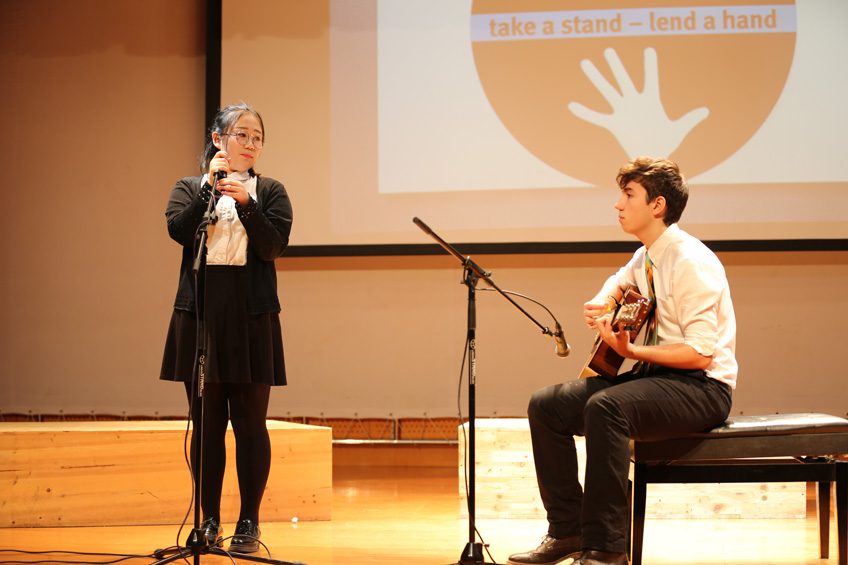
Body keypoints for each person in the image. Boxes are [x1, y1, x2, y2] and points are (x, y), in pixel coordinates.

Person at [507, 157, 736, 565]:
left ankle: (607, 548)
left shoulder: (690, 262)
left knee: (606, 406)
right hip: (657, 378)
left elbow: (701, 354)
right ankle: (568, 530)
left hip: (703, 389)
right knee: (547, 406)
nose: (618, 204)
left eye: (629, 195)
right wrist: (603, 303)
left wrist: (632, 352)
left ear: (657, 206)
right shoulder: (646, 255)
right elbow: (618, 283)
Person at [159, 103, 293, 554]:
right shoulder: (187, 188)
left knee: (251, 425)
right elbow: (179, 231)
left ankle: (249, 523)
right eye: (242, 135)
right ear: (218, 140)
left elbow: (273, 247)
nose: (251, 144)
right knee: (207, 424)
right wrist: (208, 189)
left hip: (251, 317)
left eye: (258, 137)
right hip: (200, 317)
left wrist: (247, 204)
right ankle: (209, 520)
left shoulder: (270, 192)